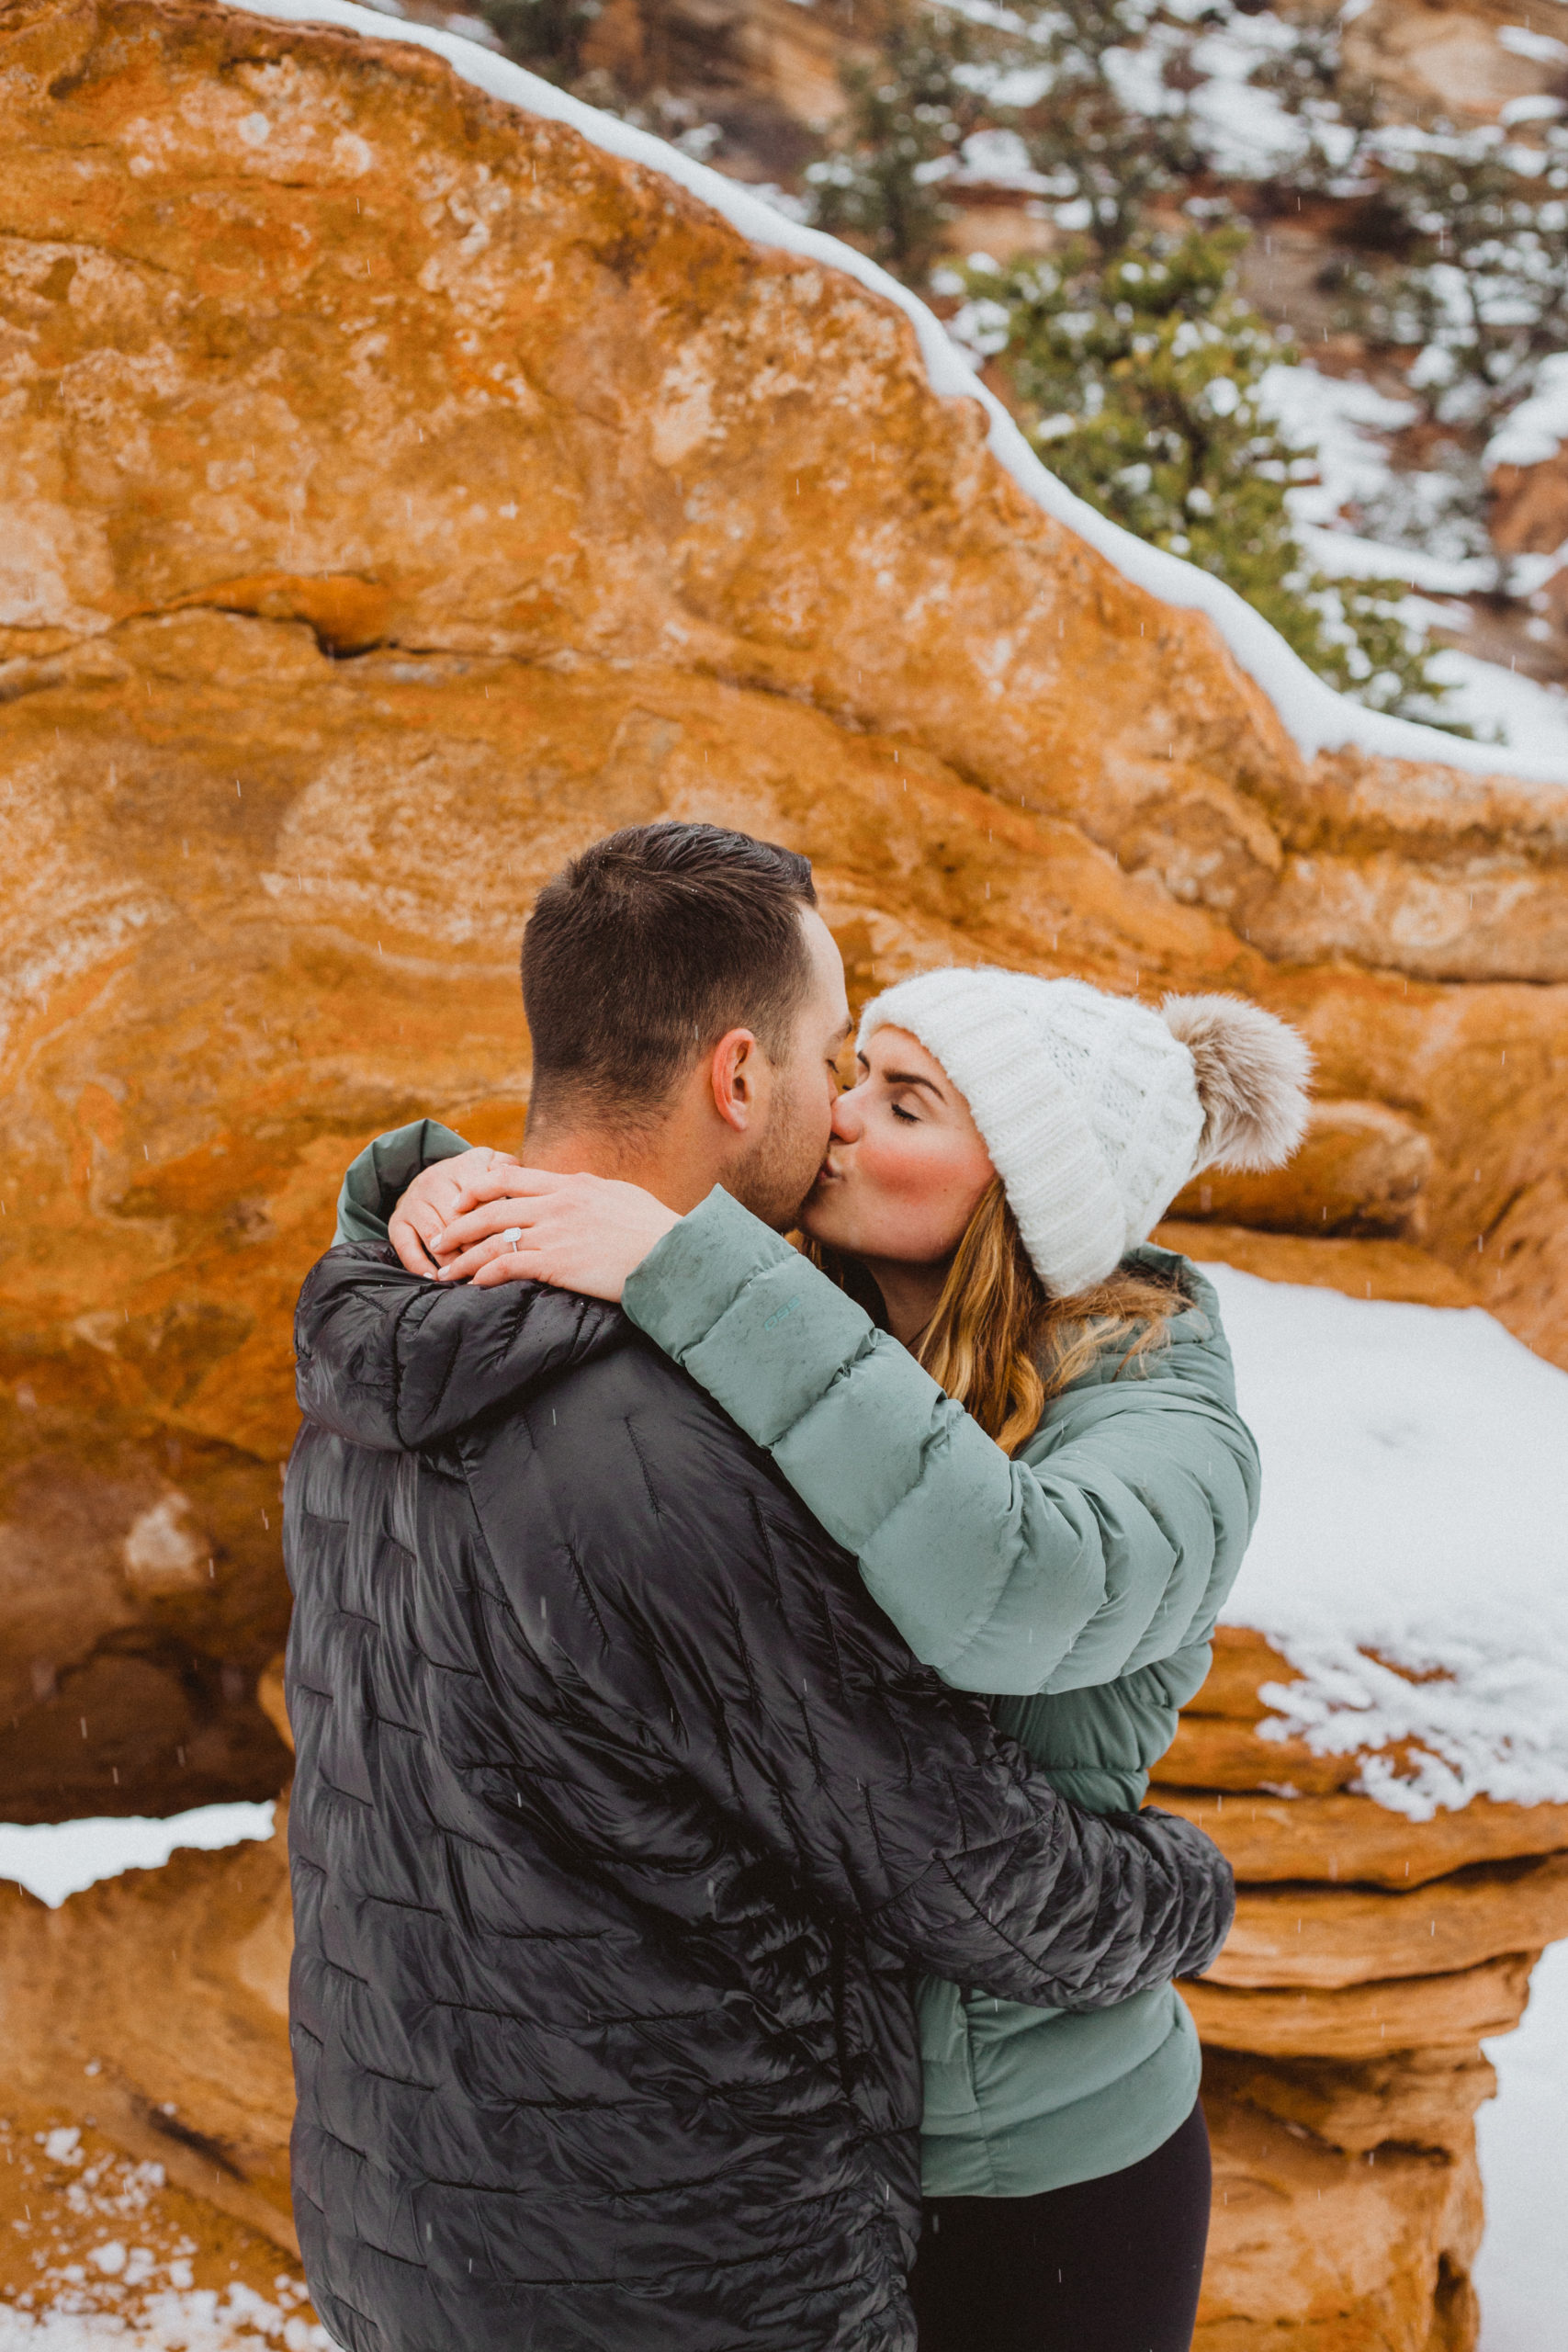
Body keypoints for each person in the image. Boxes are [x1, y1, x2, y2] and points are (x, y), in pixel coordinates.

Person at [286, 820, 1236, 2352]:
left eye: (898, 1091)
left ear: (1026, 1186)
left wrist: (477, 1216)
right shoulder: (687, 1396)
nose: (843, 1114)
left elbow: (1019, 1575)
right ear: (741, 1081)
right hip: (683, 2237)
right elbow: (948, 1855)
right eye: (835, 1064)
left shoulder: (402, 1354)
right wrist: (1181, 1889)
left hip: (990, 2171)